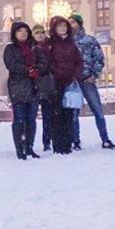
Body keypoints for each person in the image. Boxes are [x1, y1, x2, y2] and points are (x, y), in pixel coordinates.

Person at [68, 14, 115, 150]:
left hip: (87, 79)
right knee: (74, 113)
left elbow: (99, 58)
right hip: (73, 82)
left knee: (98, 111)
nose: (70, 25)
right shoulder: (66, 42)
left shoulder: (90, 40)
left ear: (79, 24)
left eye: (73, 22)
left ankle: (105, 138)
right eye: (69, 22)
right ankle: (75, 140)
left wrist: (94, 75)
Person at [37, 15, 82, 155]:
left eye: (64, 26)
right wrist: (58, 73)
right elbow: (47, 62)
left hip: (69, 83)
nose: (62, 28)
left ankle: (68, 143)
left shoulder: (71, 43)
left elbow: (79, 61)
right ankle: (58, 144)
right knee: (56, 115)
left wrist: (75, 75)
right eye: (59, 26)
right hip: (55, 84)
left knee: (69, 114)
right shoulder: (50, 44)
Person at [3, 21, 42, 159]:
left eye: (25, 30)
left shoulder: (34, 47)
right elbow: (11, 65)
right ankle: (20, 148)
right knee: (19, 119)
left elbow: (42, 62)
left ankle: (29, 147)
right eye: (20, 31)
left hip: (33, 87)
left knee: (31, 119)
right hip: (18, 87)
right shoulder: (10, 49)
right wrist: (28, 70)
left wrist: (36, 70)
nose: (23, 33)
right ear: (15, 33)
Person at [31, 24, 52, 151]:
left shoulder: (49, 47)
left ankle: (47, 142)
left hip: (47, 86)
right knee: (31, 117)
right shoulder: (31, 48)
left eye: (42, 33)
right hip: (34, 86)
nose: (40, 35)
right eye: (37, 33)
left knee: (47, 116)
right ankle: (29, 143)